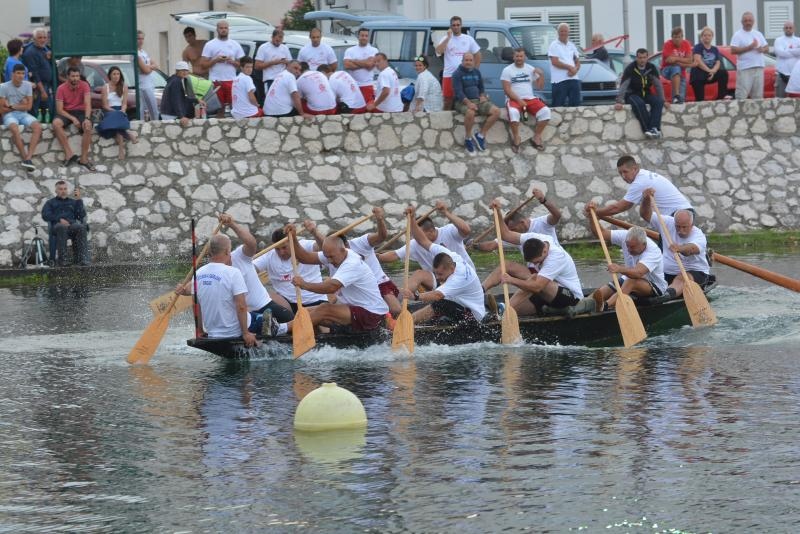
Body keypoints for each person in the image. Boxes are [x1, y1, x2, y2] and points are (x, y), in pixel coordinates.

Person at [272, 226, 389, 335]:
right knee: (304, 312)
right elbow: (305, 257)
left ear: (343, 250)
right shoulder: (332, 254)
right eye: (327, 257)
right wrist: (293, 239)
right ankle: (307, 337)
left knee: (324, 308)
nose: (329, 260)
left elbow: (331, 287)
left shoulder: (352, 263)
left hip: (372, 314)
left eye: (331, 257)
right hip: (355, 310)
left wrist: (304, 285)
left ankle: (279, 329)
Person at [489, 199, 583, 316]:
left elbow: (537, 286)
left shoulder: (556, 257)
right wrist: (497, 212)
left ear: (545, 251)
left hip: (570, 298)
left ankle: (505, 309)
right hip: (547, 294)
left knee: (534, 279)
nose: (536, 264)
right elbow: (506, 235)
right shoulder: (534, 237)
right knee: (516, 311)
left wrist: (511, 280)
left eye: (538, 262)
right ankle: (504, 311)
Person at [398, 205, 486, 325]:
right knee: (441, 305)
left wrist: (415, 297)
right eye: (436, 273)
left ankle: (403, 324)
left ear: (452, 268)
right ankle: (416, 321)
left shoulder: (458, 277)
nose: (438, 277)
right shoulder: (450, 255)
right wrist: (412, 219)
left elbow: (437, 295)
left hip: (473, 318)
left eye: (440, 274)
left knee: (440, 303)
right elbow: (423, 241)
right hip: (460, 305)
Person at [176, 234, 258, 347]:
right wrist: (245, 333)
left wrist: (199, 330)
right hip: (236, 331)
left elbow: (196, 305)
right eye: (230, 251)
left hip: (213, 334)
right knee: (274, 321)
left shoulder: (198, 273)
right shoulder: (233, 272)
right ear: (226, 252)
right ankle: (289, 325)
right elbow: (241, 306)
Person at [378, 200, 475, 292]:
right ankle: (398, 302)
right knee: (419, 275)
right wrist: (373, 256)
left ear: (431, 231)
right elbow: (394, 255)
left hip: (465, 276)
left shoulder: (448, 231)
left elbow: (466, 230)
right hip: (441, 280)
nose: (416, 237)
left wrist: (445, 212)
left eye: (418, 233)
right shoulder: (415, 243)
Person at [216, 213, 293, 323]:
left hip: (263, 305)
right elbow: (193, 286)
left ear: (228, 251)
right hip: (240, 312)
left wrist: (232, 224)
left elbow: (251, 243)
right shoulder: (210, 270)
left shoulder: (240, 255)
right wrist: (184, 289)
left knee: (290, 318)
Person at [581, 216, 666, 312]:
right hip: (628, 279)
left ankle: (606, 306)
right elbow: (601, 233)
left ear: (644, 244)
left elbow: (638, 273)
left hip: (655, 287)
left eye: (632, 247)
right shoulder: (626, 236)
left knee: (631, 281)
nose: (629, 250)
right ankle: (582, 305)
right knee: (602, 291)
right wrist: (592, 217)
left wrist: (619, 269)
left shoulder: (653, 251)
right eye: (627, 246)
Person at [639, 189, 710, 298]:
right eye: (678, 226)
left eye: (684, 227)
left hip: (694, 273)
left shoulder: (698, 235)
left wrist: (680, 248)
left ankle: (667, 295)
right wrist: (646, 199)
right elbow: (645, 214)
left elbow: (691, 249)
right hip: (666, 273)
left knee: (682, 277)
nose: (680, 230)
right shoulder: (667, 222)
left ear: (691, 225)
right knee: (642, 275)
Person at [587, 154, 692, 219]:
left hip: (679, 215)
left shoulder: (640, 182)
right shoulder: (644, 175)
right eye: (620, 173)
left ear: (635, 168)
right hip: (682, 213)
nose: (623, 176)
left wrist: (595, 212)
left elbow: (619, 207)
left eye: (625, 172)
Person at [253, 228, 328, 313]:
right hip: (287, 304)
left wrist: (314, 231)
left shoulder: (303, 245)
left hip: (316, 299)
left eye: (284, 247)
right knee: (269, 297)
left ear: (291, 241)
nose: (281, 252)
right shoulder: (268, 255)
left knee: (323, 319)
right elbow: (250, 269)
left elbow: (325, 248)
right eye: (277, 249)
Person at [344, 207, 401, 316]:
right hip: (358, 287)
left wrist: (379, 219)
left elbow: (381, 236)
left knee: (396, 309)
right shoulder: (331, 254)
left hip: (378, 282)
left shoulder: (360, 243)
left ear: (346, 244)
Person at [474, 187, 561, 252]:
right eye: (510, 230)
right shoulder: (514, 236)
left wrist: (543, 200)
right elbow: (491, 245)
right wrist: (474, 245)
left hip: (555, 264)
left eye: (513, 229)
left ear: (522, 222)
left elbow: (557, 215)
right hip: (534, 271)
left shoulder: (542, 222)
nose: (511, 232)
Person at [501, 47, 549, 153]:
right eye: (517, 56)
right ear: (513, 57)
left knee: (546, 112)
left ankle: (536, 137)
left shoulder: (530, 68)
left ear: (524, 57)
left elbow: (540, 87)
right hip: (513, 99)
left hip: (530, 99)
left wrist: (541, 75)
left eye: (521, 56)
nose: (519, 58)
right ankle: (517, 138)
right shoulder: (507, 70)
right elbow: (507, 90)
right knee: (513, 113)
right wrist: (519, 100)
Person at [615, 48, 669, 139]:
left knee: (658, 102)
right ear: (636, 58)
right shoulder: (630, 68)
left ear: (647, 57)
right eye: (640, 58)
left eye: (644, 57)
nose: (642, 60)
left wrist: (663, 100)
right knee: (639, 104)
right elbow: (624, 85)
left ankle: (654, 128)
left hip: (646, 93)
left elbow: (658, 85)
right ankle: (648, 130)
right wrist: (619, 101)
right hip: (632, 94)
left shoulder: (651, 68)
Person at [452, 52, 500, 154]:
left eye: (470, 60)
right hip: (462, 102)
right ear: (462, 61)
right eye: (466, 60)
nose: (468, 62)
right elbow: (458, 92)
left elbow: (481, 87)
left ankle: (481, 135)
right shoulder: (457, 74)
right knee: (470, 112)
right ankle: (468, 138)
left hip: (478, 100)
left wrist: (482, 96)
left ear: (473, 61)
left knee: (496, 111)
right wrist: (468, 103)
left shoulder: (477, 72)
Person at [52, 66, 95, 171]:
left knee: (88, 126)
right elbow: (59, 110)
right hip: (66, 112)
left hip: (81, 111)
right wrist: (73, 119)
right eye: (73, 76)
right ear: (67, 77)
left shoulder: (85, 85)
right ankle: (69, 154)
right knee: (56, 123)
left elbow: (87, 104)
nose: (75, 78)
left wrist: (87, 118)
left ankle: (84, 159)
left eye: (77, 76)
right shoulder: (61, 88)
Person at [0, 64, 40, 171]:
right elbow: (2, 110)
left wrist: (12, 105)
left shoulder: (27, 86)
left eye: (23, 73)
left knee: (37, 126)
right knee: (14, 128)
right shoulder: (3, 87)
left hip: (23, 114)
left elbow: (29, 106)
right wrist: (22, 105)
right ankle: (25, 158)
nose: (21, 76)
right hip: (9, 115)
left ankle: (29, 157)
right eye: (18, 73)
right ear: (12, 74)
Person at [435, 16, 481, 110]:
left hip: (464, 74)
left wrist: (474, 69)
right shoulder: (445, 38)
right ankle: (445, 123)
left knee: (464, 98)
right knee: (448, 100)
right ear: (450, 26)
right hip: (449, 74)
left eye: (458, 25)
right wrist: (448, 38)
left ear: (461, 25)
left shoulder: (468, 39)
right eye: (454, 25)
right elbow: (438, 52)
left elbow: (478, 54)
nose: (456, 27)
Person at [201, 20, 246, 115]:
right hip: (216, 80)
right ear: (217, 29)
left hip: (231, 80)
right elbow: (203, 65)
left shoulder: (235, 44)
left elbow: (243, 65)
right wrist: (216, 60)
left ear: (228, 30)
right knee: (219, 108)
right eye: (221, 28)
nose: (223, 30)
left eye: (225, 28)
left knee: (234, 107)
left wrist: (232, 62)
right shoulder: (210, 44)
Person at [41, 180, 88, 266]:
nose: (63, 191)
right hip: (57, 227)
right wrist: (59, 219)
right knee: (61, 227)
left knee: (80, 227)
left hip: (71, 226)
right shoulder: (50, 203)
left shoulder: (73, 202)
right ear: (56, 191)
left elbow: (81, 215)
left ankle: (81, 259)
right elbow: (45, 215)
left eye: (65, 189)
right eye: (61, 189)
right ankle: (63, 260)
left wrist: (78, 200)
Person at [98, 65, 137, 160]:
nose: (116, 76)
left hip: (120, 110)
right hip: (109, 111)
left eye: (118, 74)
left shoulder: (124, 86)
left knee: (117, 123)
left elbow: (124, 103)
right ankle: (128, 135)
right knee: (117, 121)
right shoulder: (105, 87)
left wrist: (122, 110)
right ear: (110, 76)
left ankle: (121, 150)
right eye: (114, 74)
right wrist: (115, 111)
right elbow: (105, 106)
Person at [730, 11, 769, 100]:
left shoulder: (758, 34)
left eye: (750, 20)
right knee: (742, 95)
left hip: (759, 66)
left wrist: (762, 49)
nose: (748, 22)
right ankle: (740, 113)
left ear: (753, 21)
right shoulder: (738, 35)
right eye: (745, 21)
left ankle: (756, 113)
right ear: (742, 22)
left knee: (758, 96)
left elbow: (767, 48)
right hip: (745, 68)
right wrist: (749, 47)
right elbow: (733, 50)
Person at [690, 27, 731, 101]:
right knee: (700, 101)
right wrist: (709, 70)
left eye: (709, 35)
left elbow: (718, 63)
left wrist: (713, 71)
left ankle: (721, 97)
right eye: (705, 35)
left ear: (712, 37)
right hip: (698, 75)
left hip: (710, 73)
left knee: (723, 73)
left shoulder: (715, 49)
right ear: (701, 37)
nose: (707, 37)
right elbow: (698, 61)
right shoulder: (698, 47)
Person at [21, 28, 53, 121]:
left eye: (44, 37)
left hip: (47, 85)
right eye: (40, 37)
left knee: (47, 113)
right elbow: (34, 74)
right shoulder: (30, 52)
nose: (43, 40)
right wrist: (42, 91)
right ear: (34, 39)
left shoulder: (45, 48)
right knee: (35, 113)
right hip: (37, 88)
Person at [548, 23, 581, 107]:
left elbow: (577, 61)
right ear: (558, 32)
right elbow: (554, 62)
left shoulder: (572, 45)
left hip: (573, 79)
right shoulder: (554, 45)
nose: (563, 33)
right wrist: (570, 67)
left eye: (565, 31)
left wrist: (575, 70)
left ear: (568, 32)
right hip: (559, 80)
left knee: (575, 106)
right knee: (558, 106)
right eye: (561, 31)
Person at [344, 28, 379, 104]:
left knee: (368, 111)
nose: (364, 38)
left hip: (367, 85)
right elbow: (346, 65)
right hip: (353, 86)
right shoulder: (350, 50)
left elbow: (370, 66)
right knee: (355, 110)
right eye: (362, 35)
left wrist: (354, 60)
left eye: (366, 36)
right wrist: (365, 63)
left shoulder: (374, 50)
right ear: (358, 36)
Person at [160, 61, 201, 126]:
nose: (185, 72)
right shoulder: (176, 82)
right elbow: (176, 100)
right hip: (170, 114)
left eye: (186, 70)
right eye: (182, 70)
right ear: (177, 71)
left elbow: (181, 98)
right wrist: (181, 116)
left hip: (167, 113)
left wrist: (197, 100)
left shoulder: (173, 80)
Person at [661, 27, 693, 103]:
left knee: (680, 100)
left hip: (681, 73)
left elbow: (689, 60)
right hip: (666, 70)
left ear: (682, 37)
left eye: (679, 37)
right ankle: (676, 94)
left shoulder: (686, 44)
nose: (677, 39)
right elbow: (669, 60)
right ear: (672, 37)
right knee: (676, 68)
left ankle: (677, 98)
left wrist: (675, 59)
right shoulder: (667, 44)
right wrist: (684, 62)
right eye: (675, 37)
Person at [255, 29, 291, 94]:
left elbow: (290, 64)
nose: (279, 42)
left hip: (283, 79)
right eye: (277, 40)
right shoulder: (263, 47)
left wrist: (286, 62)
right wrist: (273, 62)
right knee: (271, 101)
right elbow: (257, 66)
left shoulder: (285, 48)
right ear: (272, 37)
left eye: (281, 40)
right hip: (270, 80)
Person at [773, 21, 800, 98]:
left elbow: (785, 53)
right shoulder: (778, 40)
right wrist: (795, 51)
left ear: (794, 29)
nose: (788, 29)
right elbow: (780, 53)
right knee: (779, 99)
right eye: (786, 28)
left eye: (790, 28)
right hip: (781, 74)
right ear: (783, 29)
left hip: (795, 76)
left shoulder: (798, 40)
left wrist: (787, 50)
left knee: (795, 100)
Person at [136, 31, 159, 121]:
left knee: (153, 111)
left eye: (142, 38)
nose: (141, 41)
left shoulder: (143, 52)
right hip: (143, 86)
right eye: (138, 39)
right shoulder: (136, 53)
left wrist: (148, 67)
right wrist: (149, 68)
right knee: (151, 110)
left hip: (150, 84)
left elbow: (155, 64)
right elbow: (145, 70)